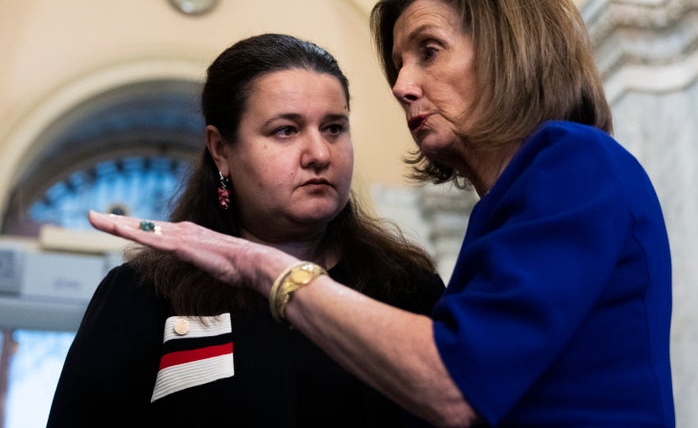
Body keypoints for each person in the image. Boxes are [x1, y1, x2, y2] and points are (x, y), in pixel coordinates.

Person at [86, 0, 675, 427]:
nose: (401, 86)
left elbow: (453, 384)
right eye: (285, 130)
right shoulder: (504, 209)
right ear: (221, 149)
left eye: (428, 51)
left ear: (507, 54)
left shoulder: (573, 164)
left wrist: (259, 266)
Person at [47, 33, 446, 427]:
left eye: (334, 128)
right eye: (285, 131)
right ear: (221, 150)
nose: (320, 154)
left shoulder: (405, 288)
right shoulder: (147, 292)